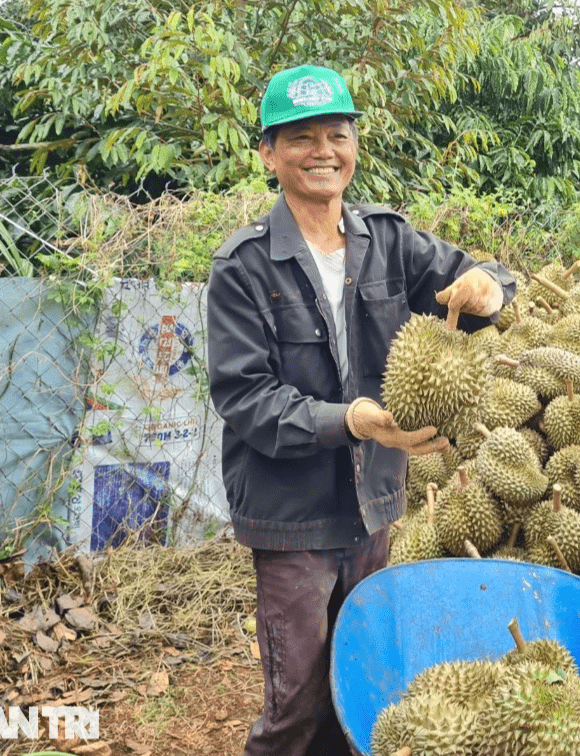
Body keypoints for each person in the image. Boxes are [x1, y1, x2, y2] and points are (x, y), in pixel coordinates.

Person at [206, 64, 516, 756]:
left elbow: (483, 280)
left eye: (337, 135)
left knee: (364, 685)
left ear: (354, 145)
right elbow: (244, 397)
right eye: (301, 138)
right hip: (291, 517)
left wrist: (488, 291)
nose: (322, 151)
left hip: (374, 504)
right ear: (268, 153)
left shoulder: (389, 239)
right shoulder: (243, 267)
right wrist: (351, 420)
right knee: (297, 704)